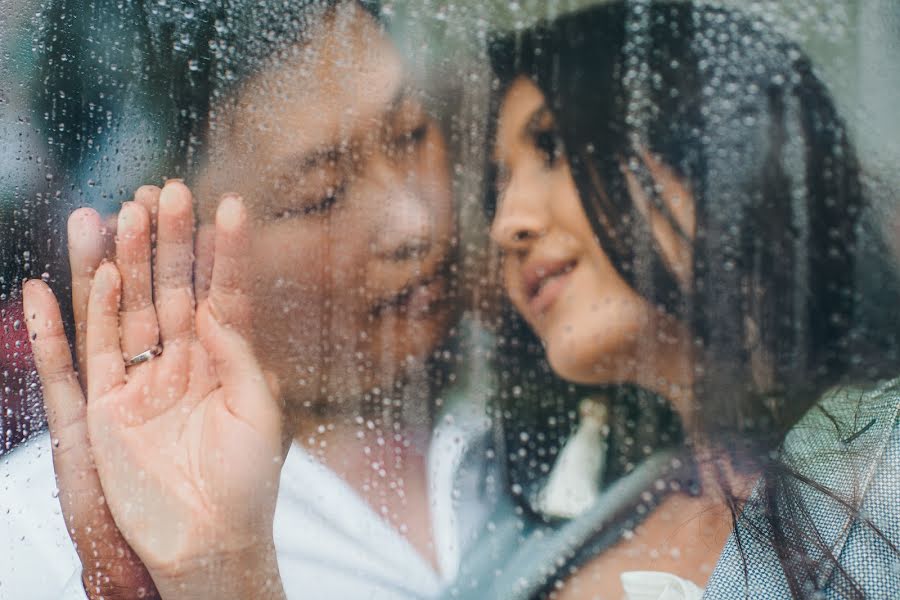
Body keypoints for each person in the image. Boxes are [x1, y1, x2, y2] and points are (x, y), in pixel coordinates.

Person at [1, 1, 501, 598]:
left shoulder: (529, 411)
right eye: (322, 196)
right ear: (168, 239)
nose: (413, 224)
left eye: (412, 135)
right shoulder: (40, 538)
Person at [486, 2, 900, 599]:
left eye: (553, 149)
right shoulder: (581, 518)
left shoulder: (877, 468)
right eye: (500, 185)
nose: (507, 224)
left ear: (712, 155)